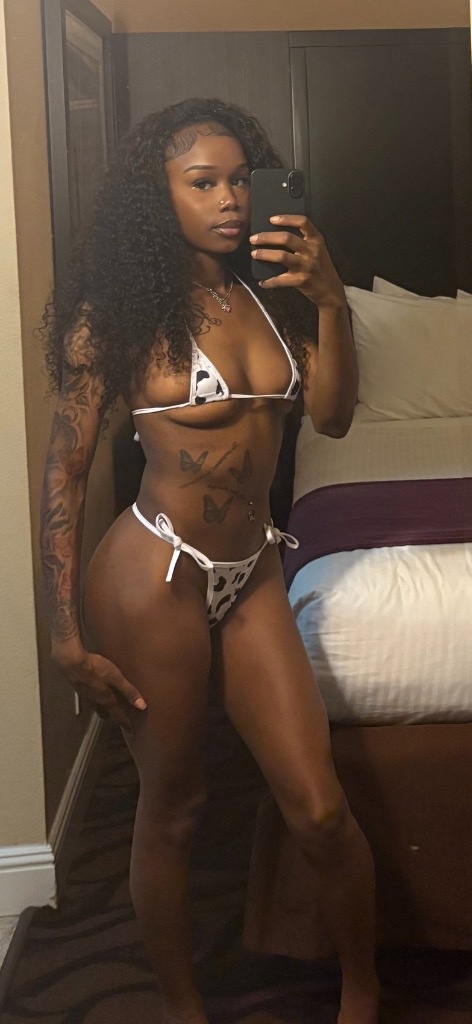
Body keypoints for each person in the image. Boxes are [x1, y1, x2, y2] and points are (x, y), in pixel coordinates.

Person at [40, 97, 379, 1024]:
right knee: (176, 805)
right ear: (159, 198)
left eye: (238, 179)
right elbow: (66, 473)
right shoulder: (116, 318)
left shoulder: (275, 297)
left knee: (318, 807)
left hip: (253, 567)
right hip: (154, 574)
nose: (230, 200)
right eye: (202, 183)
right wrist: (64, 636)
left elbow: (333, 418)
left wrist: (331, 299)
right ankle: (181, 1006)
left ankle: (362, 990)